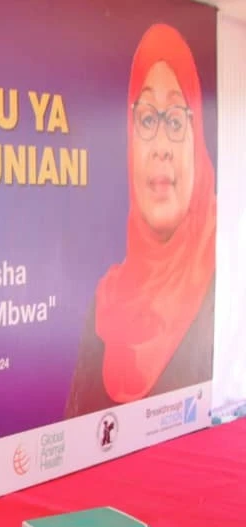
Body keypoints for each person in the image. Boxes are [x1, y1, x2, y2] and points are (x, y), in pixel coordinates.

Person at [64, 23, 215, 419]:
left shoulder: (227, 276)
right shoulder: (105, 305)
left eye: (177, 120)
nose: (161, 147)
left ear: (197, 141)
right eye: (147, 120)